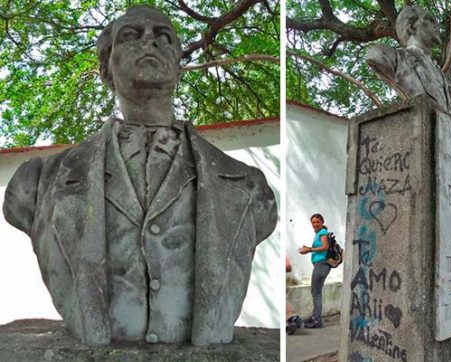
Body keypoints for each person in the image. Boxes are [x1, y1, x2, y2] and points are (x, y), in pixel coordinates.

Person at [2, 5, 276, 346]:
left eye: (163, 37)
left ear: (179, 64)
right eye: (131, 36)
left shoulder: (249, 186)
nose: (150, 41)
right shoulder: (38, 182)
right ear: (106, 69)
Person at [298, 213, 331, 328]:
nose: (315, 224)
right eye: (313, 222)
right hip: (320, 265)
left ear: (322, 222)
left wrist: (309, 249)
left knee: (316, 292)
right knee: (316, 292)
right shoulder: (319, 233)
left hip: (322, 264)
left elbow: (325, 247)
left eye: (318, 222)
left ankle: (317, 320)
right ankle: (314, 317)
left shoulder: (323, 233)